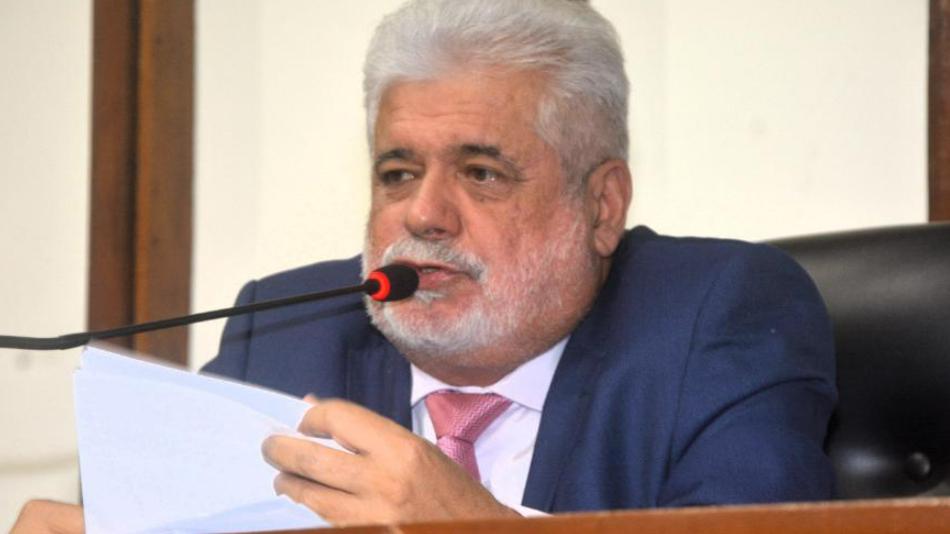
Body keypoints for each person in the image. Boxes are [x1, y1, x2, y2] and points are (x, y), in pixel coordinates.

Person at [14, 0, 836, 530]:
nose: (423, 214)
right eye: (399, 173)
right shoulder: (286, 337)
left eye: (481, 173)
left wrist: (477, 529)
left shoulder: (715, 320)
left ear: (601, 207)